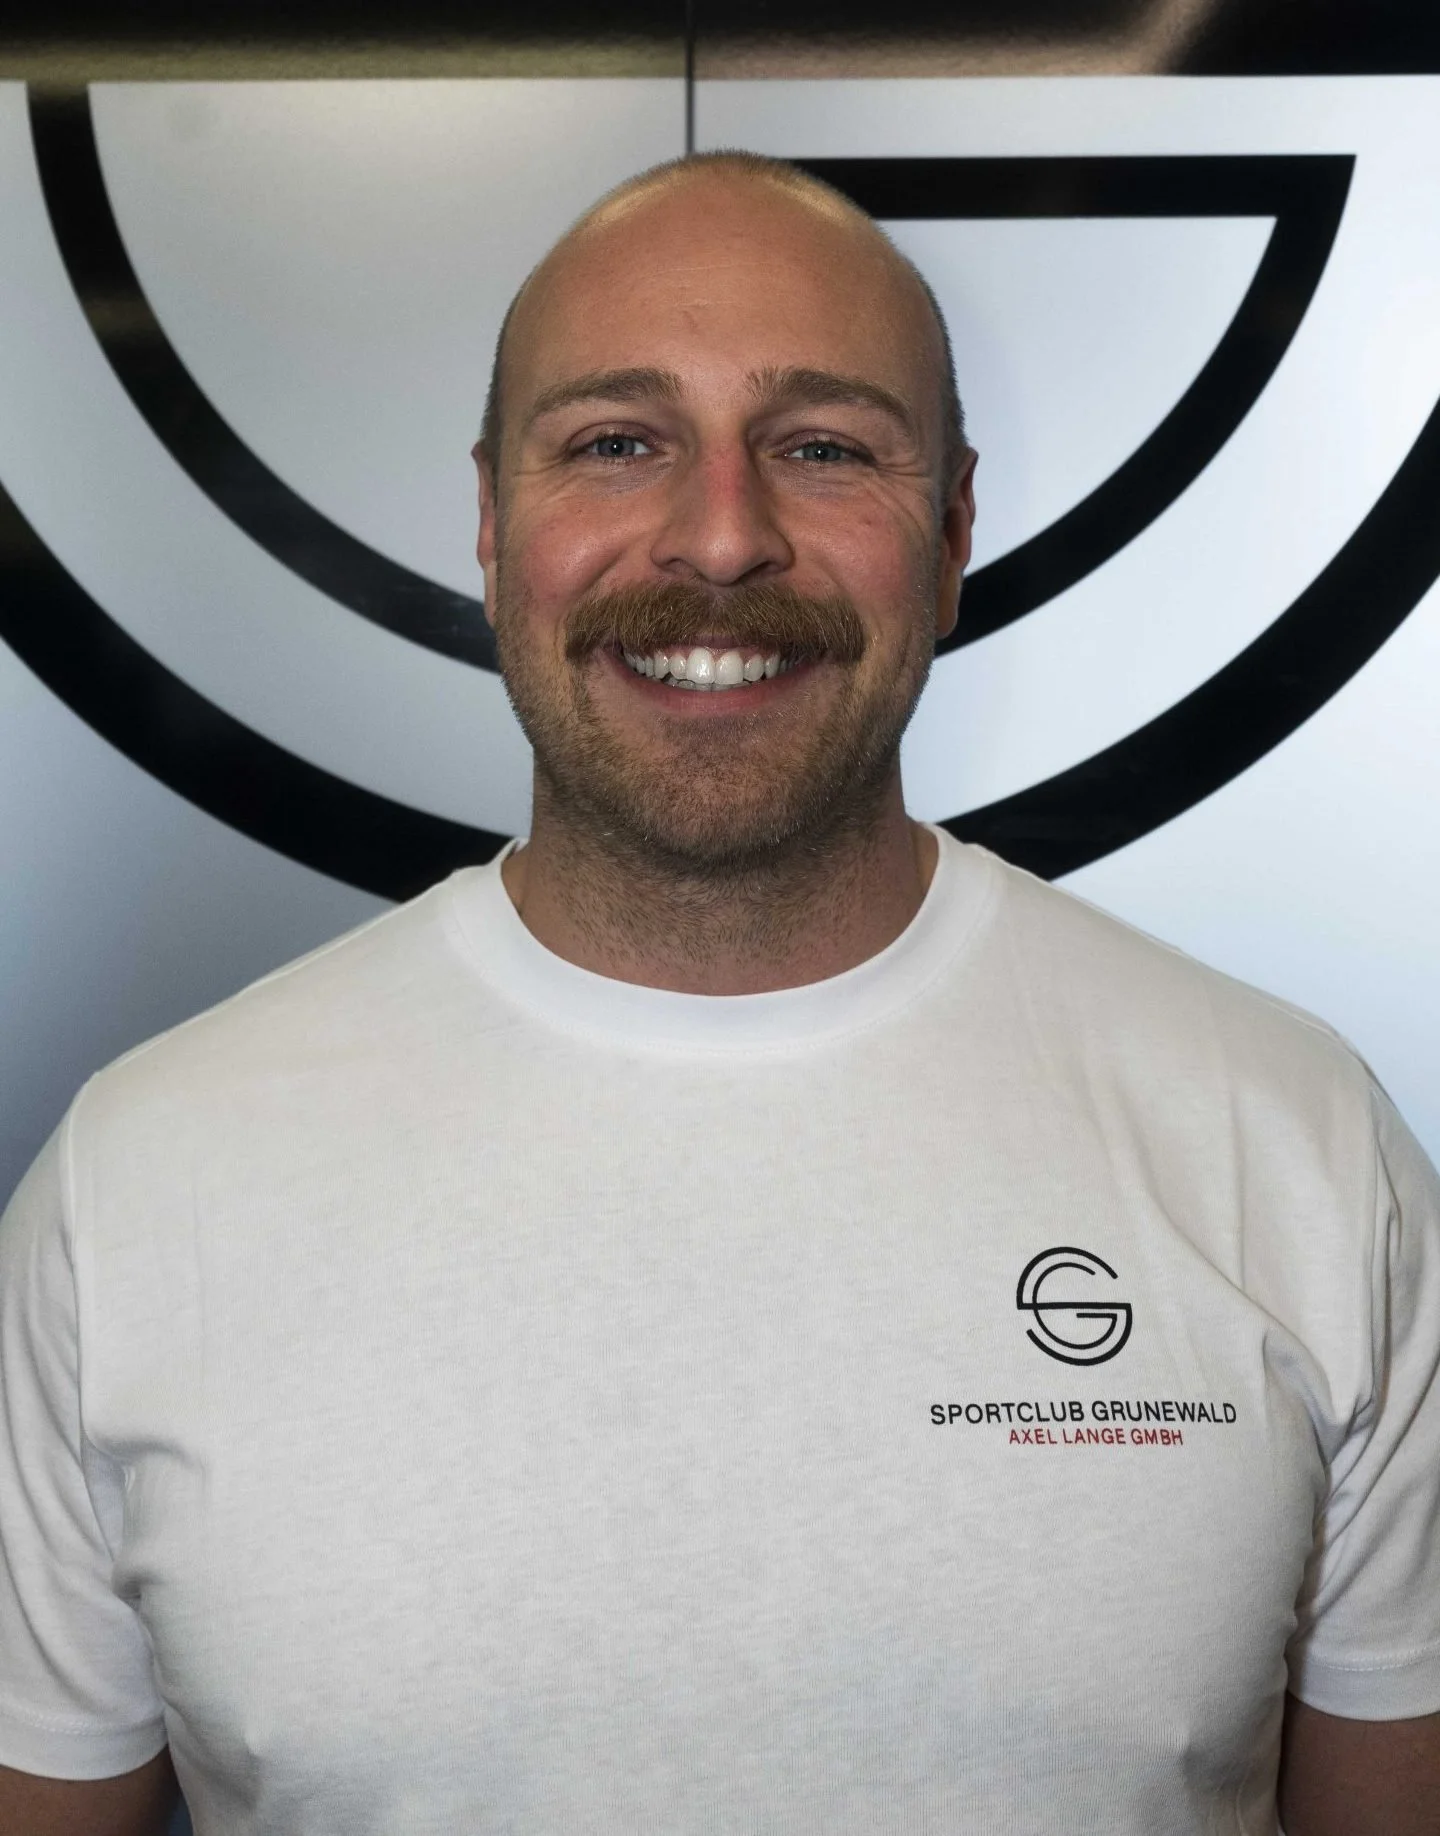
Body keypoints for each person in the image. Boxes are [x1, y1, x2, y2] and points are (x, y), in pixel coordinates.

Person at [1, 151, 1437, 1836]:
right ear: (489, 522)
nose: (722, 537)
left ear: (956, 529)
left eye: (823, 448)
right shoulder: (140, 1182)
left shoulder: (1296, 1142)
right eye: (618, 441)